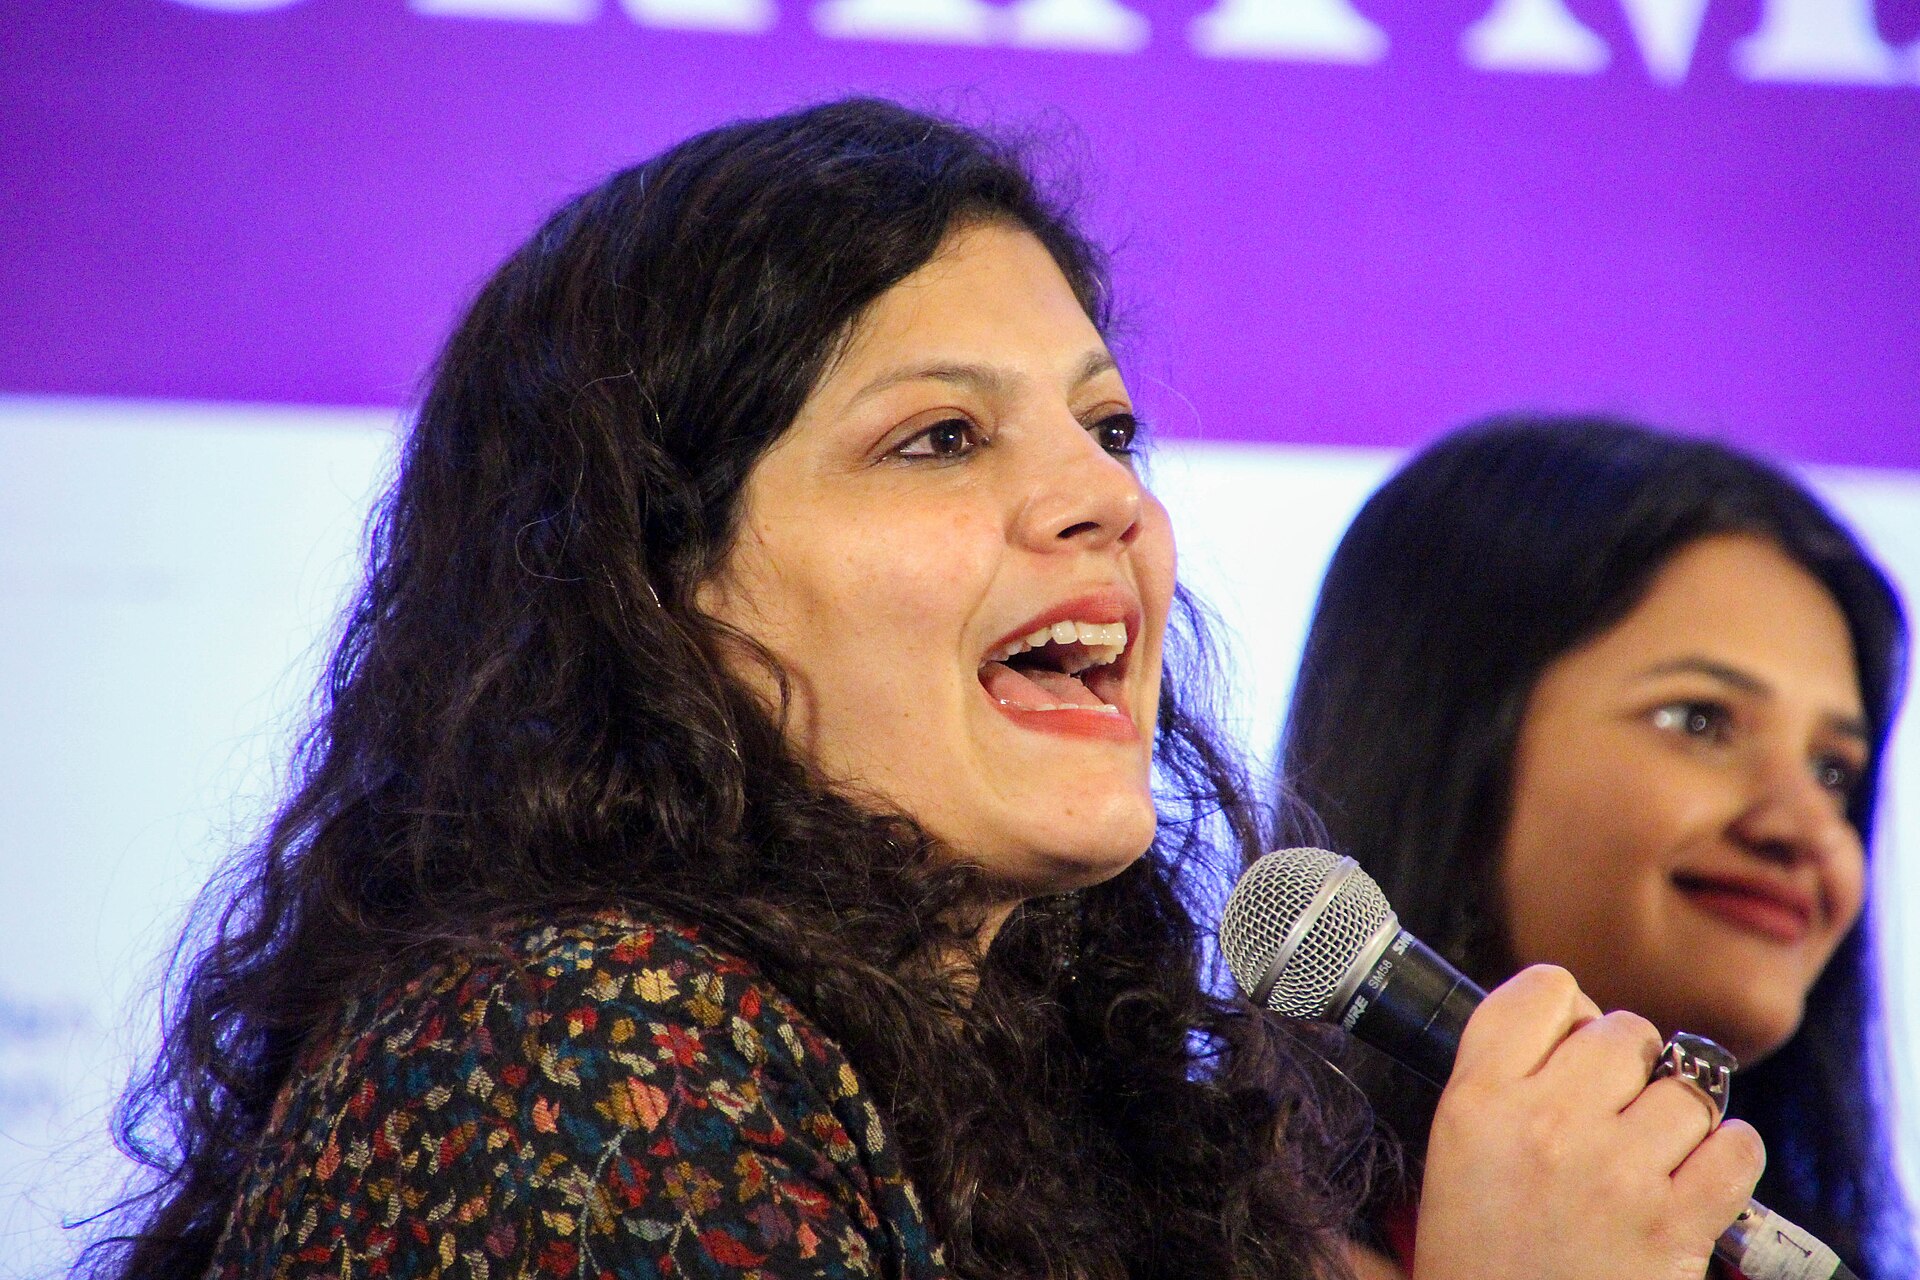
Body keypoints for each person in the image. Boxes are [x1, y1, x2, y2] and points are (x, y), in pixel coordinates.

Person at [94, 104, 1761, 1280]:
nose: (1107, 502)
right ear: (657, 589)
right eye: (940, 438)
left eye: (1109, 431)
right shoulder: (576, 1052)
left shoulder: (1064, 1122)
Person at [1278, 416, 1914, 1279]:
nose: (1806, 831)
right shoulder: (1179, 1246)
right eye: (1700, 721)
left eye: (1834, 771)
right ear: (1449, 753)